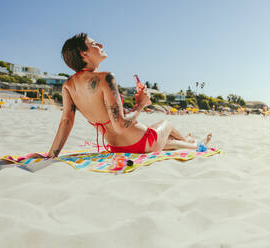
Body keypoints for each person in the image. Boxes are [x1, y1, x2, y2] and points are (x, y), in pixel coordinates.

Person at [32, 33, 211, 159]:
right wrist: (141, 104)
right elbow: (120, 125)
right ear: (83, 53)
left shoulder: (68, 86)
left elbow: (66, 122)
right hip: (141, 141)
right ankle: (192, 142)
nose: (100, 45)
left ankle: (192, 143)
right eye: (94, 44)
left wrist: (52, 154)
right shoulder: (105, 78)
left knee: (168, 142)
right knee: (167, 124)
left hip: (116, 147)